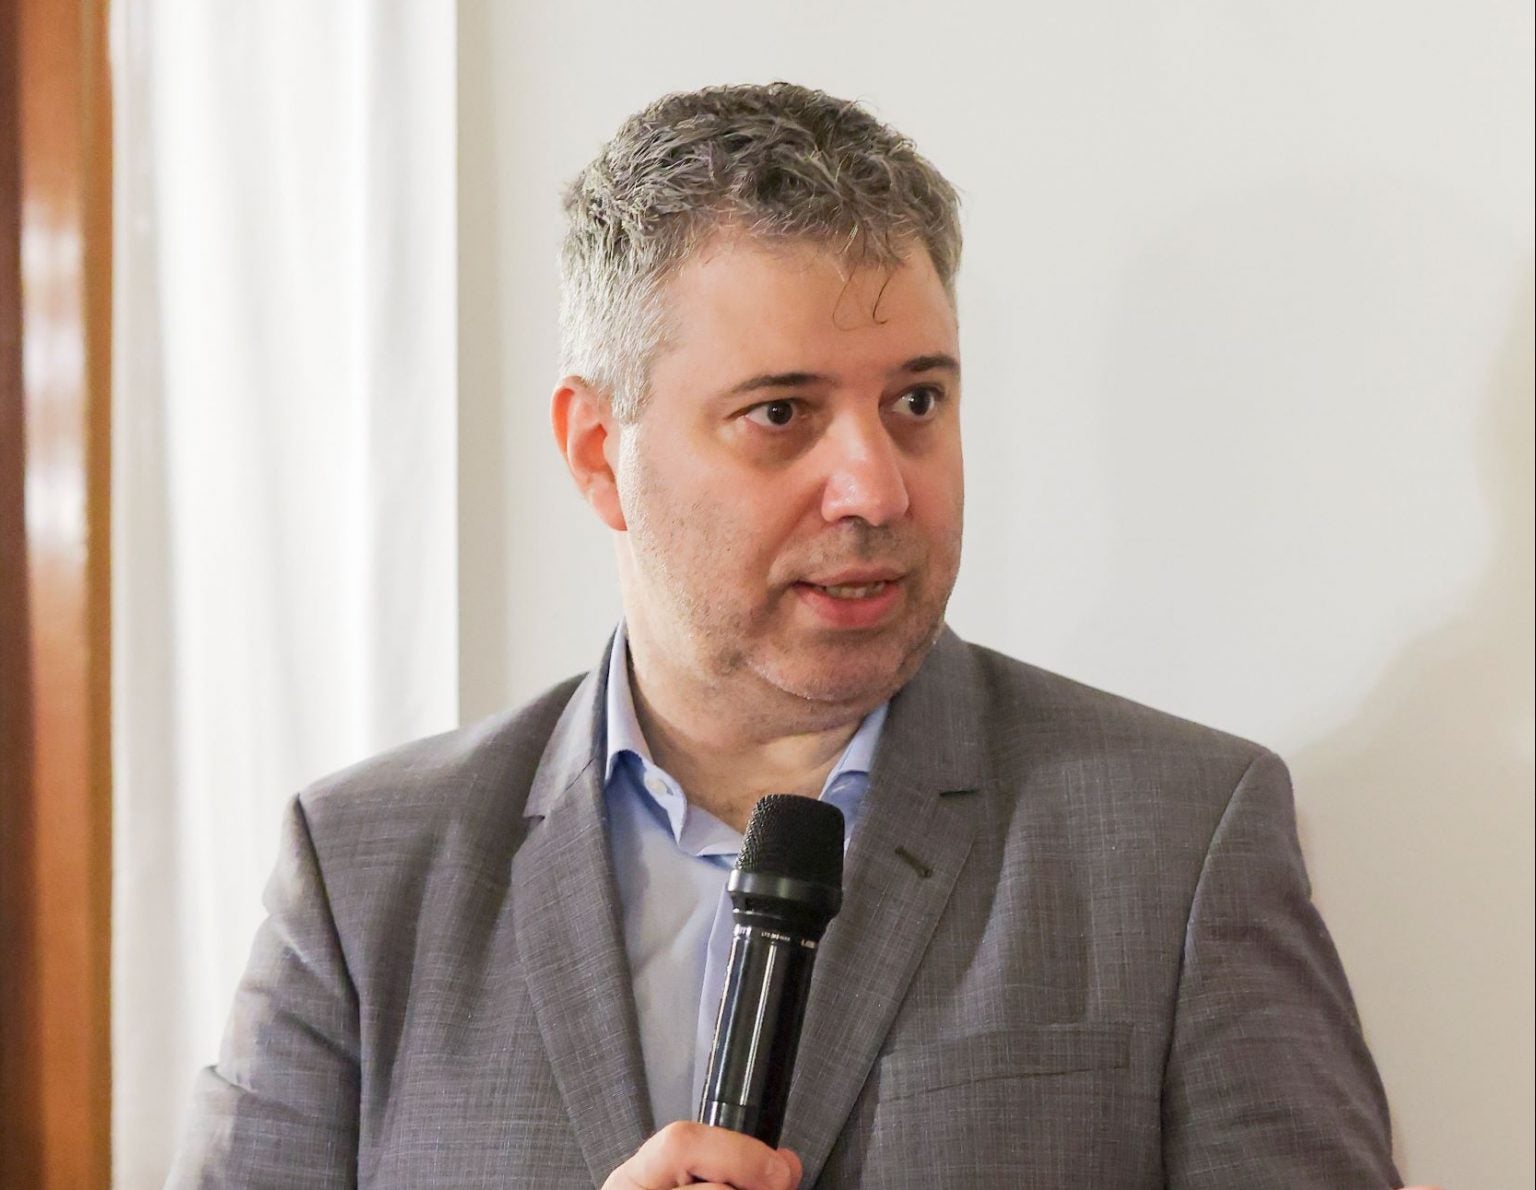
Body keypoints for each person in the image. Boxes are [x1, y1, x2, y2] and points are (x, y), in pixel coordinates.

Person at [172, 83, 1425, 1188]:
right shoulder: (362, 877)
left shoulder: (1181, 838)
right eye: (781, 412)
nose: (876, 486)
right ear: (599, 452)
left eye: (917, 400)